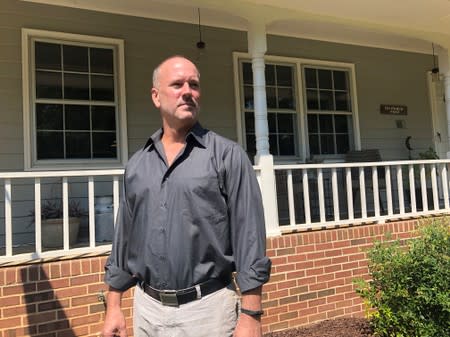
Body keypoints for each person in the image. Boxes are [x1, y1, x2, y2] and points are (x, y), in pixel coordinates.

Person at [102, 56, 271, 337]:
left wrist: (251, 314)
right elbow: (125, 237)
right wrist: (113, 305)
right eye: (177, 84)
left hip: (208, 310)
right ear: (156, 96)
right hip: (147, 310)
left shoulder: (227, 156)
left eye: (194, 84)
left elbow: (249, 235)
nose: (187, 91)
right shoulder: (137, 164)